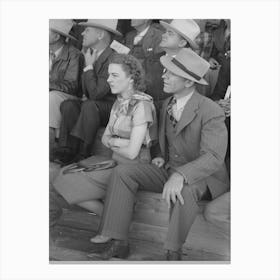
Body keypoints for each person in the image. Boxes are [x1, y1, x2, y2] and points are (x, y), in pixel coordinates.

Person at [89, 48, 230, 260]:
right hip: (169, 168)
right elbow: (158, 138)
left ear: (189, 82)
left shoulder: (211, 110)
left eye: (171, 73)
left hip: (203, 178)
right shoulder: (166, 104)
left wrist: (180, 175)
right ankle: (118, 241)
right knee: (124, 173)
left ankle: (173, 253)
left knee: (186, 189)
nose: (164, 76)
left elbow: (213, 157)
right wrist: (159, 154)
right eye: (166, 71)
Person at [50, 53, 157, 225]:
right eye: (108, 75)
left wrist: (114, 142)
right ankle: (109, 216)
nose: (108, 80)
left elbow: (131, 153)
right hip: (114, 161)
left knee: (67, 179)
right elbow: (105, 139)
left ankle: (112, 220)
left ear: (131, 79)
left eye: (114, 75)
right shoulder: (119, 102)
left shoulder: (141, 105)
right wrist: (118, 141)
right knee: (62, 175)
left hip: (133, 168)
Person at [53, 19, 122, 164]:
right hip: (92, 104)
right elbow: (86, 91)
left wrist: (89, 67)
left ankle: (84, 153)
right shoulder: (90, 53)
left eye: (87, 30)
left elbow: (97, 94)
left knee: (90, 106)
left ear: (100, 35)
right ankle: (66, 150)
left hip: (110, 107)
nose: (83, 33)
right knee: (68, 105)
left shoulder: (114, 57)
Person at [49, 19, 83, 151]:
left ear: (57, 37)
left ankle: (50, 145)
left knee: (51, 97)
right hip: (52, 93)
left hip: (67, 96)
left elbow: (71, 86)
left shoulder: (75, 55)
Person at [125, 19, 165, 109]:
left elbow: (156, 67)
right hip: (129, 84)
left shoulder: (159, 36)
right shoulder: (129, 36)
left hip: (149, 89)